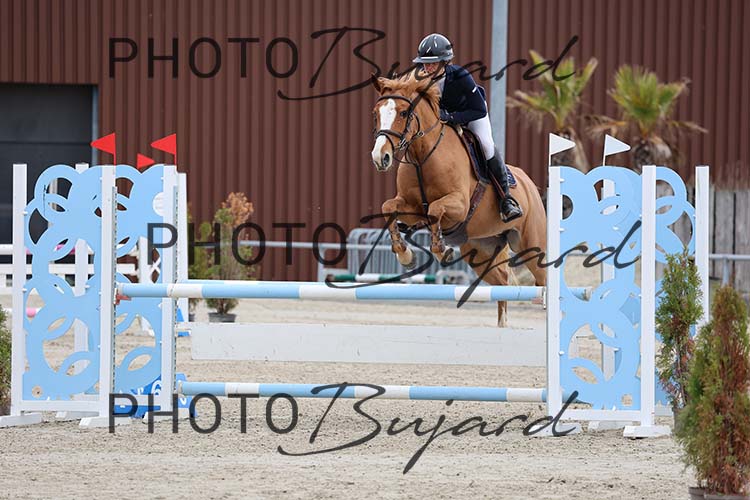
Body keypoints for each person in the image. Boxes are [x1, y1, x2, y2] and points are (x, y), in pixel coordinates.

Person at [413, 33, 522, 223]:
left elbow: (479, 110)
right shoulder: (420, 79)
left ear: (444, 62)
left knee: (486, 146)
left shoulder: (461, 76)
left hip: (471, 115)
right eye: (424, 63)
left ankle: (506, 200)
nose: (427, 67)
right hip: (443, 121)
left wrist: (452, 117)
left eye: (432, 63)